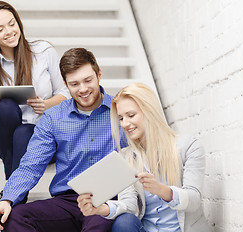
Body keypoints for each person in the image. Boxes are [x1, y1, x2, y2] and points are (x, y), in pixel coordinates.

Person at [0, 48, 124, 231]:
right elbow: (31, 165)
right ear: (65, 84)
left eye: (88, 80)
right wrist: (7, 198)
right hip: (68, 201)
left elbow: (140, 155)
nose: (83, 89)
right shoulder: (53, 117)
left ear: (99, 75)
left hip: (107, 198)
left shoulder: (122, 111)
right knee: (15, 217)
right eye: (75, 84)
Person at [77, 83, 211, 232]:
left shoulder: (188, 146)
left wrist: (161, 190)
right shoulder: (125, 157)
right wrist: (102, 209)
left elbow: (193, 199)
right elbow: (129, 204)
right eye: (121, 118)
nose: (125, 124)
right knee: (124, 221)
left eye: (131, 115)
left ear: (149, 112)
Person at [0, 1, 70, 183]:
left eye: (12, 24)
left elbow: (66, 92)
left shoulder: (43, 51)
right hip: (5, 141)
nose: (9, 31)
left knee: (23, 133)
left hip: (43, 138)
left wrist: (46, 105)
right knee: (4, 107)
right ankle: (14, 192)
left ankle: (11, 193)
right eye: (0, 29)